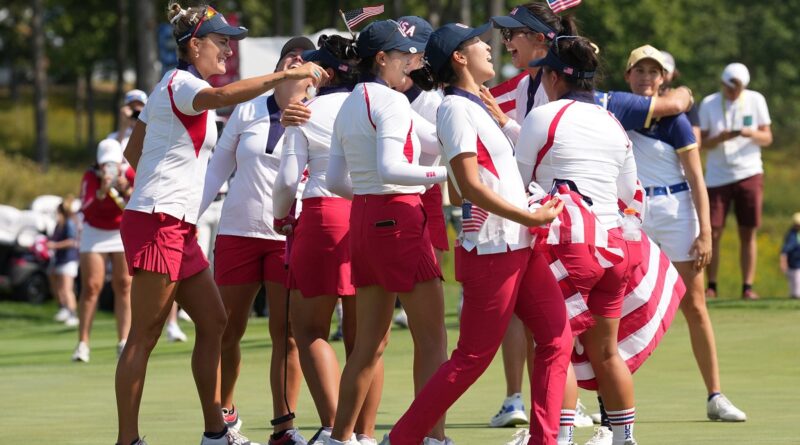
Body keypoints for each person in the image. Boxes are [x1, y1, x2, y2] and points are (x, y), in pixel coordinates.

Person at [115, 2, 326, 444]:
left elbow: (133, 154)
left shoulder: (169, 88)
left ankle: (216, 433)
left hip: (175, 223)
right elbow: (223, 97)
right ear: (195, 46)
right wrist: (285, 76)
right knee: (144, 335)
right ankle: (128, 440)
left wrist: (166, 180)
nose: (228, 52)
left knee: (213, 322)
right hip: (159, 221)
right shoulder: (183, 84)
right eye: (221, 42)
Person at [386, 23, 567, 445]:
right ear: (460, 58)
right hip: (495, 248)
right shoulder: (453, 109)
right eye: (479, 42)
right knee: (472, 358)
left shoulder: (474, 106)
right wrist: (528, 217)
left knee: (558, 338)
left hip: (517, 242)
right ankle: (402, 438)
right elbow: (466, 188)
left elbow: (458, 187)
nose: (490, 46)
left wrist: (527, 215)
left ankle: (546, 439)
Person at [325, 19, 450, 445]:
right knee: (433, 340)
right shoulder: (394, 103)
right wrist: (447, 173)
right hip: (399, 218)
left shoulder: (347, 103)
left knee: (367, 346)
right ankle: (431, 436)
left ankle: (339, 438)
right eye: (405, 55)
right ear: (382, 59)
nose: (413, 62)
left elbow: (336, 180)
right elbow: (392, 168)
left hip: (362, 218)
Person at [516, 36, 643, 445]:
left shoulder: (544, 116)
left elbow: (517, 184)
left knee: (557, 348)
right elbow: (628, 193)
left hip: (566, 246)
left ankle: (563, 438)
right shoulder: (612, 122)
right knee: (607, 352)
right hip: (614, 247)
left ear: (554, 76)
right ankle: (625, 438)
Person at [198, 34, 317, 445]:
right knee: (226, 330)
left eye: (306, 60)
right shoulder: (247, 108)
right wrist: (187, 219)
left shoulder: (321, 112)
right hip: (238, 230)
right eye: (291, 57)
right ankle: (223, 416)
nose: (297, 64)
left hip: (290, 235)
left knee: (287, 335)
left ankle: (284, 426)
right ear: (280, 65)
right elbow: (216, 170)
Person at [625, 45, 746, 423]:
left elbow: (696, 177)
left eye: (653, 72)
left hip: (678, 213)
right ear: (628, 75)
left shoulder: (676, 118)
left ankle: (715, 395)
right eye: (639, 71)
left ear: (664, 78)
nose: (646, 77)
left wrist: (706, 232)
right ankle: (610, 399)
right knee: (620, 305)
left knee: (695, 305)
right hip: (635, 213)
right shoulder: (614, 112)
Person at [273, 34, 383, 445]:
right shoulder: (378, 103)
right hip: (371, 213)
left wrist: (278, 215)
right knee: (365, 338)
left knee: (309, 330)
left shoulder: (306, 110)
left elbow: (287, 180)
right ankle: (367, 435)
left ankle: (340, 433)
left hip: (323, 214)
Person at [698, 62, 772, 300]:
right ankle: (712, 286)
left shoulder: (756, 100)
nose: (733, 92)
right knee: (714, 231)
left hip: (749, 172)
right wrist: (720, 138)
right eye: (730, 87)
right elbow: (702, 143)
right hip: (718, 175)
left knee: (747, 230)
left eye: (738, 88)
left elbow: (767, 137)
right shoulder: (709, 103)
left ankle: (747, 287)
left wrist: (751, 134)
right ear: (723, 84)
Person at [72, 138, 135, 363]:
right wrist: (102, 191)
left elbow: (140, 198)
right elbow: (85, 204)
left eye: (112, 164)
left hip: (120, 231)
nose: (107, 168)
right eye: (104, 164)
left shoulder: (128, 175)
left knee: (124, 284)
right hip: (95, 233)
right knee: (91, 287)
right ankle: (83, 343)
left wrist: (125, 187)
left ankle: (123, 341)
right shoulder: (90, 177)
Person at [49, 195, 79, 327]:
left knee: (67, 289)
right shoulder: (59, 225)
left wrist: (54, 246)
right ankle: (64, 309)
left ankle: (73, 315)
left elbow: (71, 241)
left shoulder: (69, 224)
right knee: (60, 287)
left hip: (69, 260)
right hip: (60, 259)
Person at [780, 212, 800, 299]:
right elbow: (784, 251)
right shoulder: (792, 236)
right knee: (796, 291)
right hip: (794, 266)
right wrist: (783, 262)